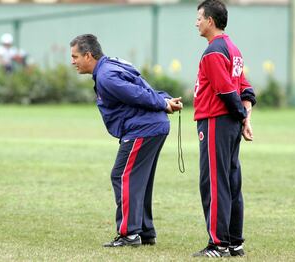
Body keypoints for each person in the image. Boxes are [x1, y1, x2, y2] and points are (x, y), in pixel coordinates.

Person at [70, 34, 183, 247]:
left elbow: (138, 94)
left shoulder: (106, 76)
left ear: (88, 55)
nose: (72, 61)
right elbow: (142, 87)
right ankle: (145, 232)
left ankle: (129, 234)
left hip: (143, 129)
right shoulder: (113, 65)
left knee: (122, 175)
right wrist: (164, 99)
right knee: (140, 180)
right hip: (153, 126)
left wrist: (162, 102)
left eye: (75, 56)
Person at [192, 0, 256, 257]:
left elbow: (227, 90)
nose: (196, 22)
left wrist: (242, 116)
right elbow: (245, 89)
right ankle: (234, 242)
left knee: (215, 183)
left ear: (210, 20)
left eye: (199, 17)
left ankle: (218, 244)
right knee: (231, 180)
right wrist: (245, 117)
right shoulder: (232, 48)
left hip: (215, 121)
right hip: (228, 122)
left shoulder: (214, 51)